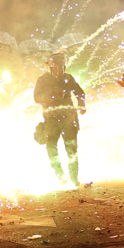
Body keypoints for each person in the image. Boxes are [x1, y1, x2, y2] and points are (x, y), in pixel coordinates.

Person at [33, 53, 86, 185]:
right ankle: (60, 176)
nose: (58, 71)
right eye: (56, 68)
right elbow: (37, 98)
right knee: (51, 148)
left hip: (68, 118)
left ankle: (74, 178)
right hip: (51, 120)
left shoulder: (68, 78)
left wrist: (82, 105)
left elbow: (80, 93)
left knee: (72, 149)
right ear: (50, 67)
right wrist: (52, 96)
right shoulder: (43, 80)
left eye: (61, 68)